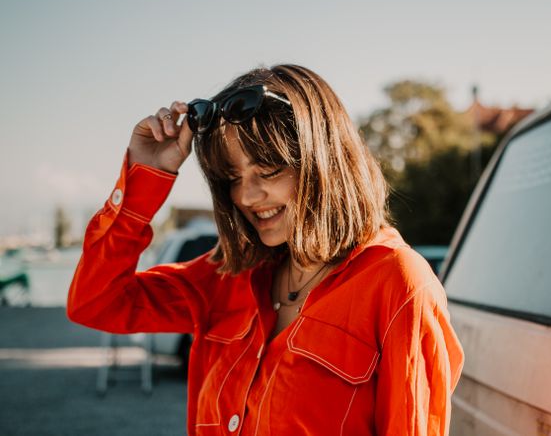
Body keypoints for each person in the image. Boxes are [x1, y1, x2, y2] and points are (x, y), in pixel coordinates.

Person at [67, 64, 464, 435]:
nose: (247, 195)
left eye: (268, 170)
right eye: (232, 177)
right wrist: (146, 178)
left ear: (321, 160)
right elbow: (96, 302)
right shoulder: (228, 275)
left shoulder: (398, 283)